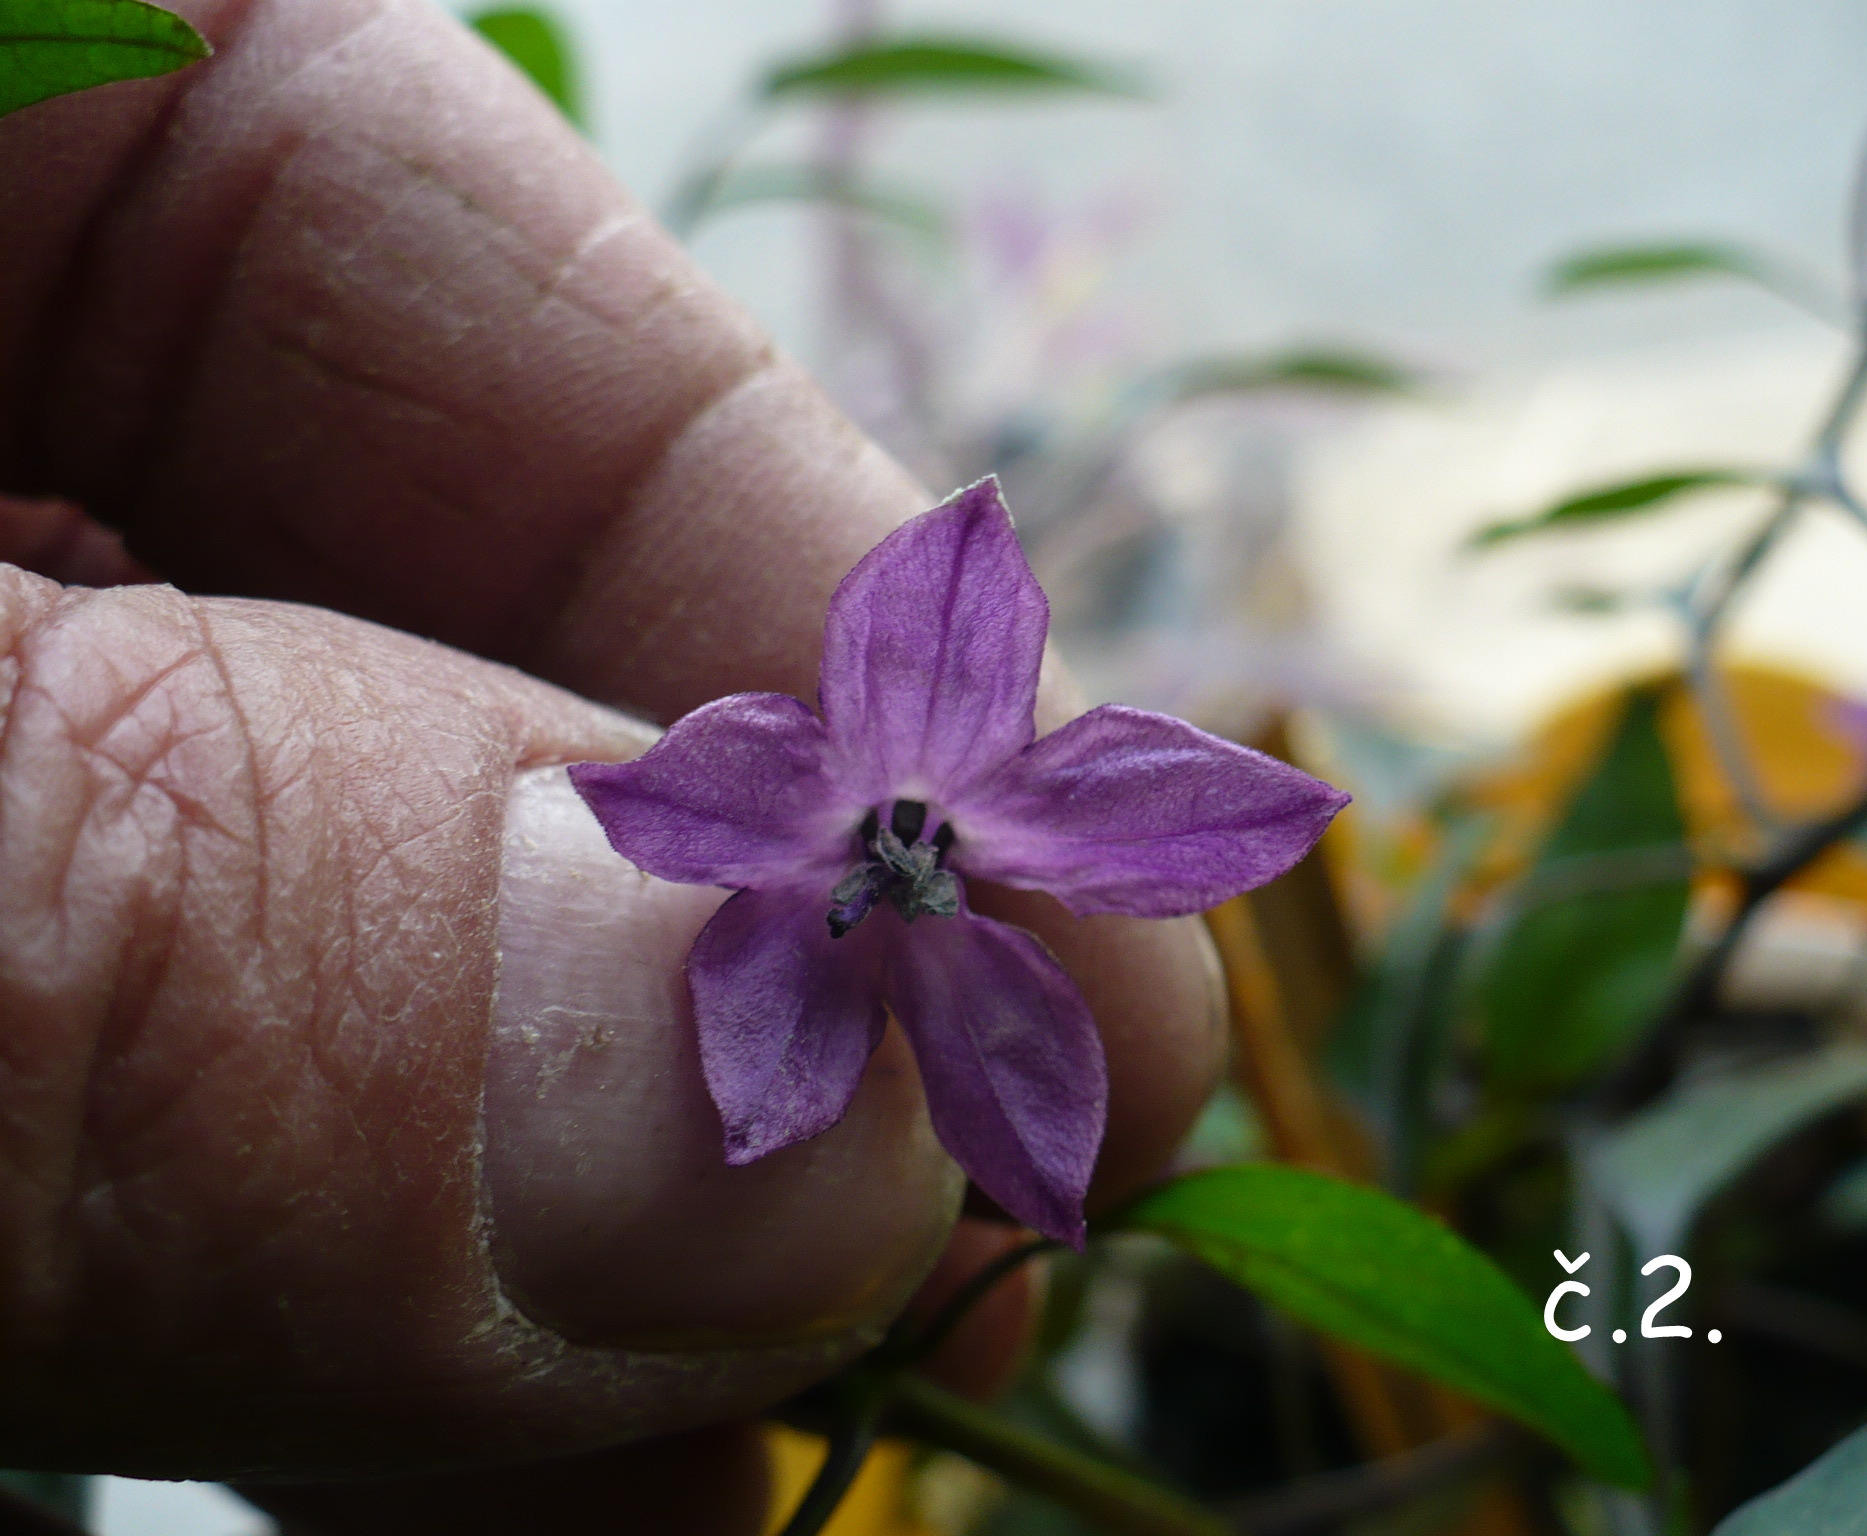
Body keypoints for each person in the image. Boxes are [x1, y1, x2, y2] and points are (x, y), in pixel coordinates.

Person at [0, 1, 1225, 1529]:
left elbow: (1133, 786)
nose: (916, 865)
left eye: (923, 849)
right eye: (909, 841)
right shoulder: (775, 791)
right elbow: (677, 823)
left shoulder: (939, 709)